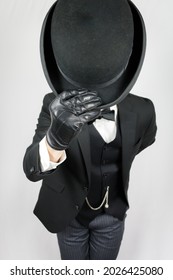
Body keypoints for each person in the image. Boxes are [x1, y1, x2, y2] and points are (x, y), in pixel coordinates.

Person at [23, 0, 157, 260]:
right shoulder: (54, 107)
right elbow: (31, 170)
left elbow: (144, 141)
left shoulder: (144, 111)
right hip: (69, 217)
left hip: (113, 217)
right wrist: (53, 141)